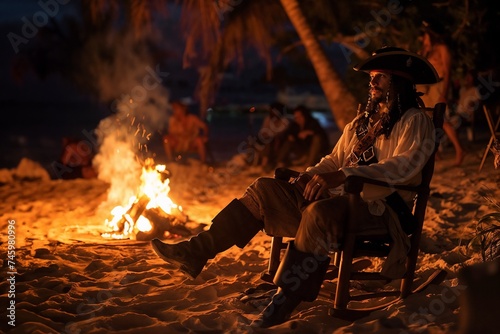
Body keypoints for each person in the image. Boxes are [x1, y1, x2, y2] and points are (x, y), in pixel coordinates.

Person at [151, 47, 439, 328]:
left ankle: (284, 300)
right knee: (265, 188)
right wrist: (310, 175)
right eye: (371, 77)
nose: (372, 82)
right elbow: (334, 160)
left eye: (380, 77)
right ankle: (196, 251)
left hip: (380, 211)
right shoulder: (361, 123)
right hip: (337, 202)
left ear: (399, 82)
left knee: (319, 212)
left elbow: (402, 168)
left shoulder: (415, 121)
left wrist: (343, 175)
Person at [417, 19, 465, 166]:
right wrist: (425, 49)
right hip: (428, 88)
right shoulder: (428, 50)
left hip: (440, 86)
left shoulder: (443, 48)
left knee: (442, 121)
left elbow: (448, 70)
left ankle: (459, 150)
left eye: (426, 35)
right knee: (427, 121)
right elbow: (420, 65)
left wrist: (444, 93)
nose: (424, 38)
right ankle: (435, 153)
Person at [253, 102, 290, 170]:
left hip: (279, 142)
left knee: (271, 140)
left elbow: (282, 134)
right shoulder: (268, 119)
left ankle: (266, 162)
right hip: (268, 141)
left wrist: (273, 136)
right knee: (264, 140)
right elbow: (263, 131)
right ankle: (262, 162)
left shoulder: (284, 121)